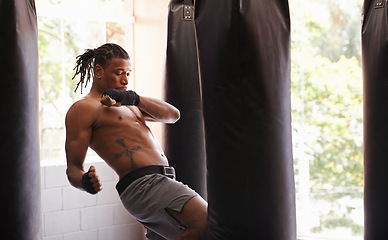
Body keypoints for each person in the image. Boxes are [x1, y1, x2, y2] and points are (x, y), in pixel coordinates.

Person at [65, 43, 208, 240]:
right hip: (144, 185)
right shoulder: (84, 109)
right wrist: (84, 182)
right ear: (98, 71)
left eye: (128, 74)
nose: (125, 80)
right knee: (206, 223)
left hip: (162, 181)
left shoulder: (128, 103)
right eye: (118, 72)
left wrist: (132, 98)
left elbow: (173, 115)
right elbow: (72, 168)